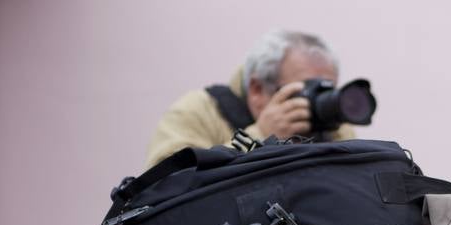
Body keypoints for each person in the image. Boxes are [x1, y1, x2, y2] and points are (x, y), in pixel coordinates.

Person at [145, 29, 359, 167]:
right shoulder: (195, 112)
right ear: (257, 90)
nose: (315, 104)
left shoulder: (333, 126)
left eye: (325, 92)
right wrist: (260, 136)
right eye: (304, 92)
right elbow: (164, 185)